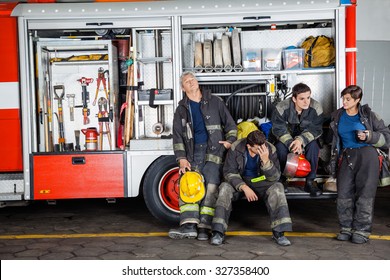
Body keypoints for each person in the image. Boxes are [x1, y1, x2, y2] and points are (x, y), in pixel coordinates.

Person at [169, 71, 237, 241]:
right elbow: (177, 136)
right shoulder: (181, 109)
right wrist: (182, 158)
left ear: (197, 82)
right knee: (189, 186)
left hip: (215, 151)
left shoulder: (215, 101)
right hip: (193, 153)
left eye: (192, 79)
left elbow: (231, 125)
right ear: (183, 88)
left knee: (212, 188)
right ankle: (189, 226)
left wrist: (230, 141)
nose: (191, 82)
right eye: (186, 81)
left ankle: (204, 229)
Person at [329, 85, 390, 244]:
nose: (344, 101)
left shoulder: (369, 115)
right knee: (343, 195)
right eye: (343, 98)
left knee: (365, 195)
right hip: (347, 157)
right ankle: (346, 228)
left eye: (348, 99)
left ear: (357, 100)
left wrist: (369, 136)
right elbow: (333, 140)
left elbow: (387, 137)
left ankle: (362, 231)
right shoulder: (337, 116)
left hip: (367, 156)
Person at [210, 130, 292, 246]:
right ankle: (218, 232)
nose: (262, 150)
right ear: (249, 146)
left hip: (261, 181)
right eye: (258, 148)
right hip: (240, 180)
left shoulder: (270, 149)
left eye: (263, 146)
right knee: (224, 188)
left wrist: (266, 161)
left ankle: (279, 233)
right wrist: (243, 187)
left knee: (278, 188)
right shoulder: (236, 147)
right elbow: (229, 172)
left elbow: (275, 177)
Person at [271, 82, 324, 196]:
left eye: (308, 97)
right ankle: (282, 180)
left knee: (314, 146)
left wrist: (300, 140)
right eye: (302, 99)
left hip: (306, 138)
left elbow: (316, 129)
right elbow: (278, 129)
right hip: (286, 138)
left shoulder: (316, 107)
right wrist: (292, 143)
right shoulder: (281, 107)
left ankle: (310, 182)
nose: (306, 102)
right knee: (280, 148)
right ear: (294, 99)